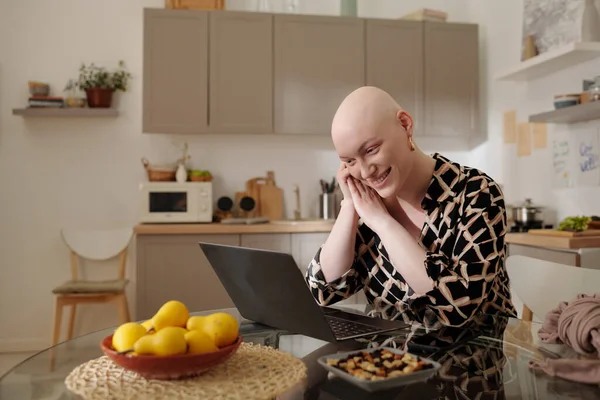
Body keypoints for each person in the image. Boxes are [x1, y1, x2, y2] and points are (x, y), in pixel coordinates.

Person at [305, 86, 516, 328]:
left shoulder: (477, 193)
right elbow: (323, 291)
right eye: (350, 161)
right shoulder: (367, 203)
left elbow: (457, 307)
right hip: (391, 360)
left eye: (371, 150)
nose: (364, 172)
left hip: (471, 357)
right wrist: (350, 205)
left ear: (405, 125)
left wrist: (383, 223)